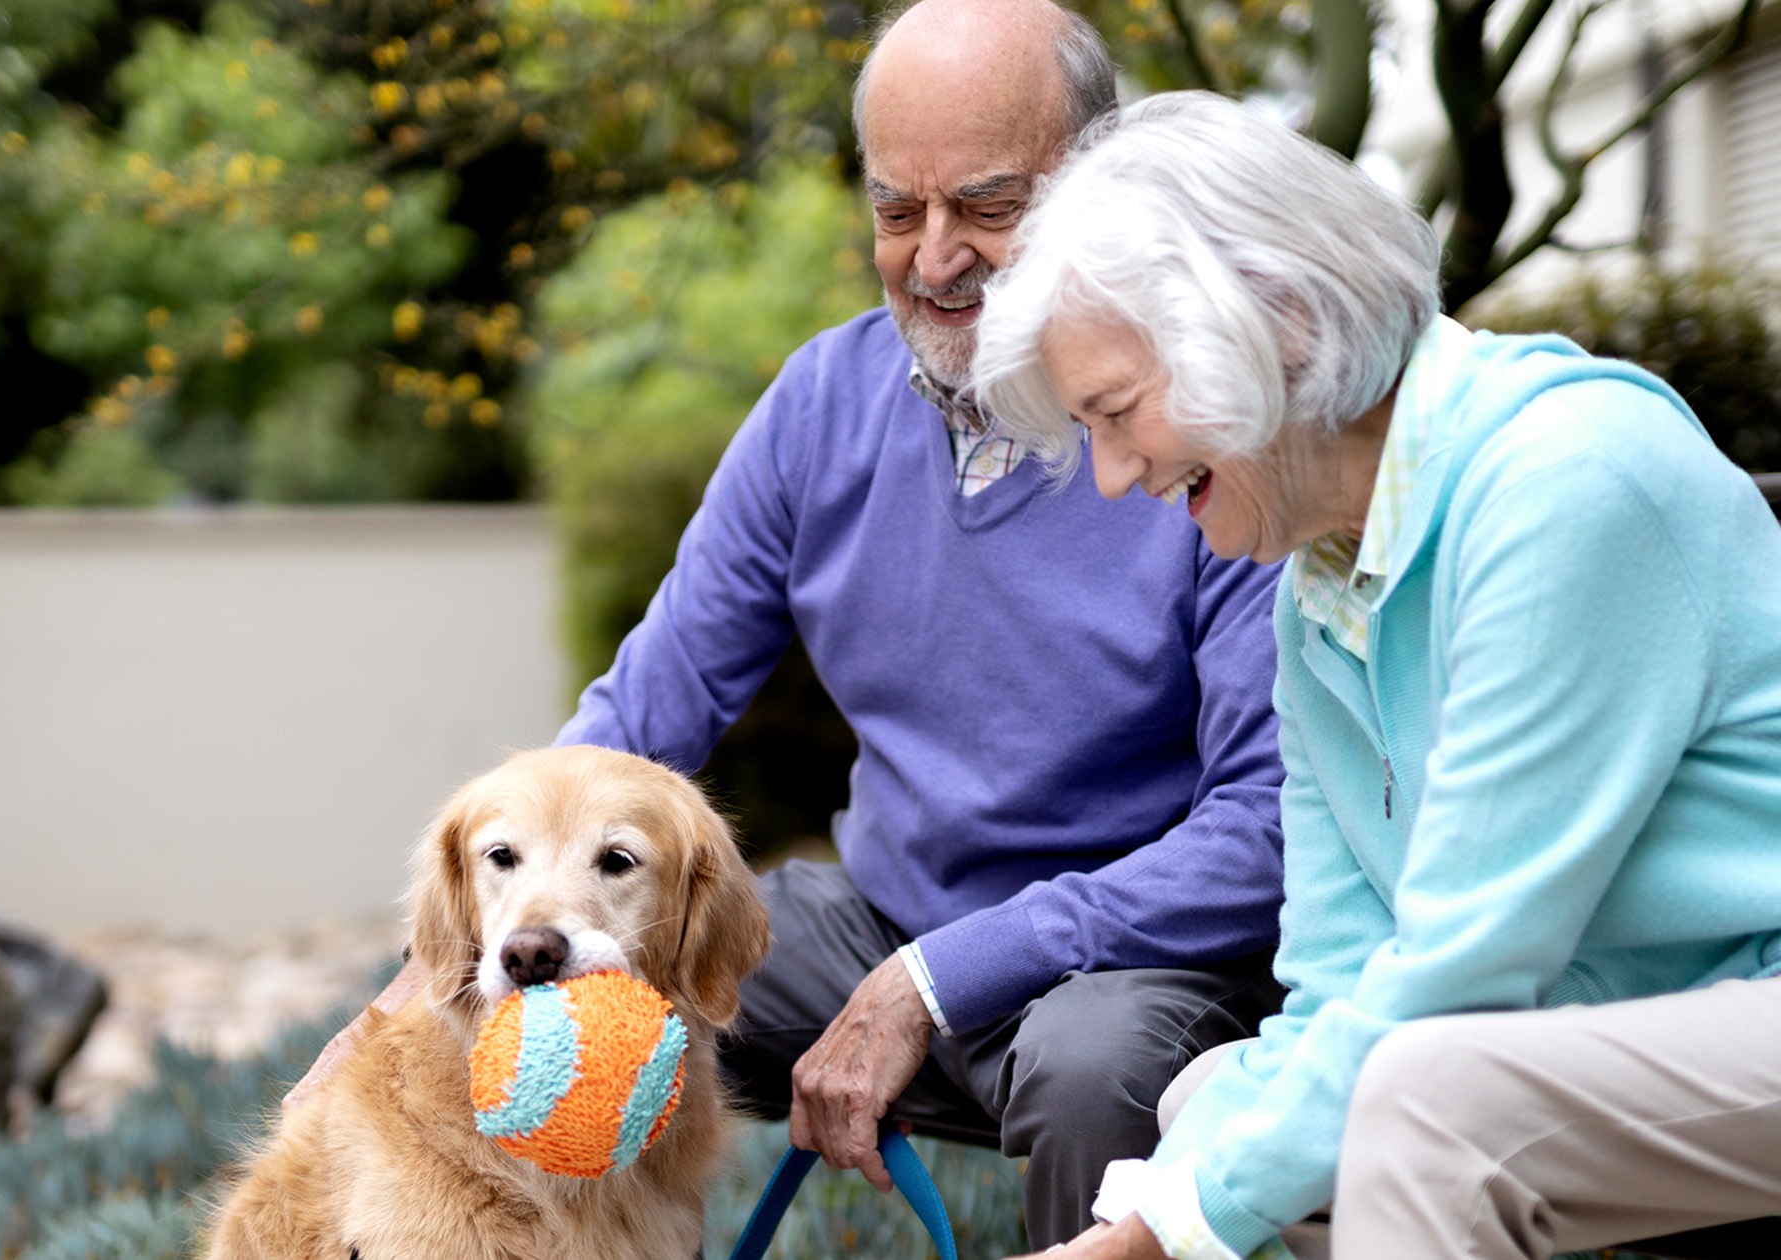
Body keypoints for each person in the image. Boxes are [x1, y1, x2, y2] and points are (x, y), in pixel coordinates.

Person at [967, 91, 1781, 1260]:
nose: (1116, 476)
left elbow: (1462, 977)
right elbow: (1340, 980)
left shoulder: (1565, 481)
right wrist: (1189, 1190)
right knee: (1218, 1096)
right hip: (1757, 1008)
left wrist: (1161, 1228)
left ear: (1265, 321)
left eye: (1118, 412)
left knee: (1416, 1104)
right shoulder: (1318, 599)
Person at [551, 1, 1293, 1246]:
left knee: (1093, 1067)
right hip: (881, 923)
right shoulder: (819, 405)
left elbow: (1266, 832)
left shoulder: (1204, 425)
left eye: (989, 207)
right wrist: (478, 936)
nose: (934, 257)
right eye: (898, 211)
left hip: (1129, 965)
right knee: (563, 977)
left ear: (1098, 186)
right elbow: (639, 720)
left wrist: (948, 977)